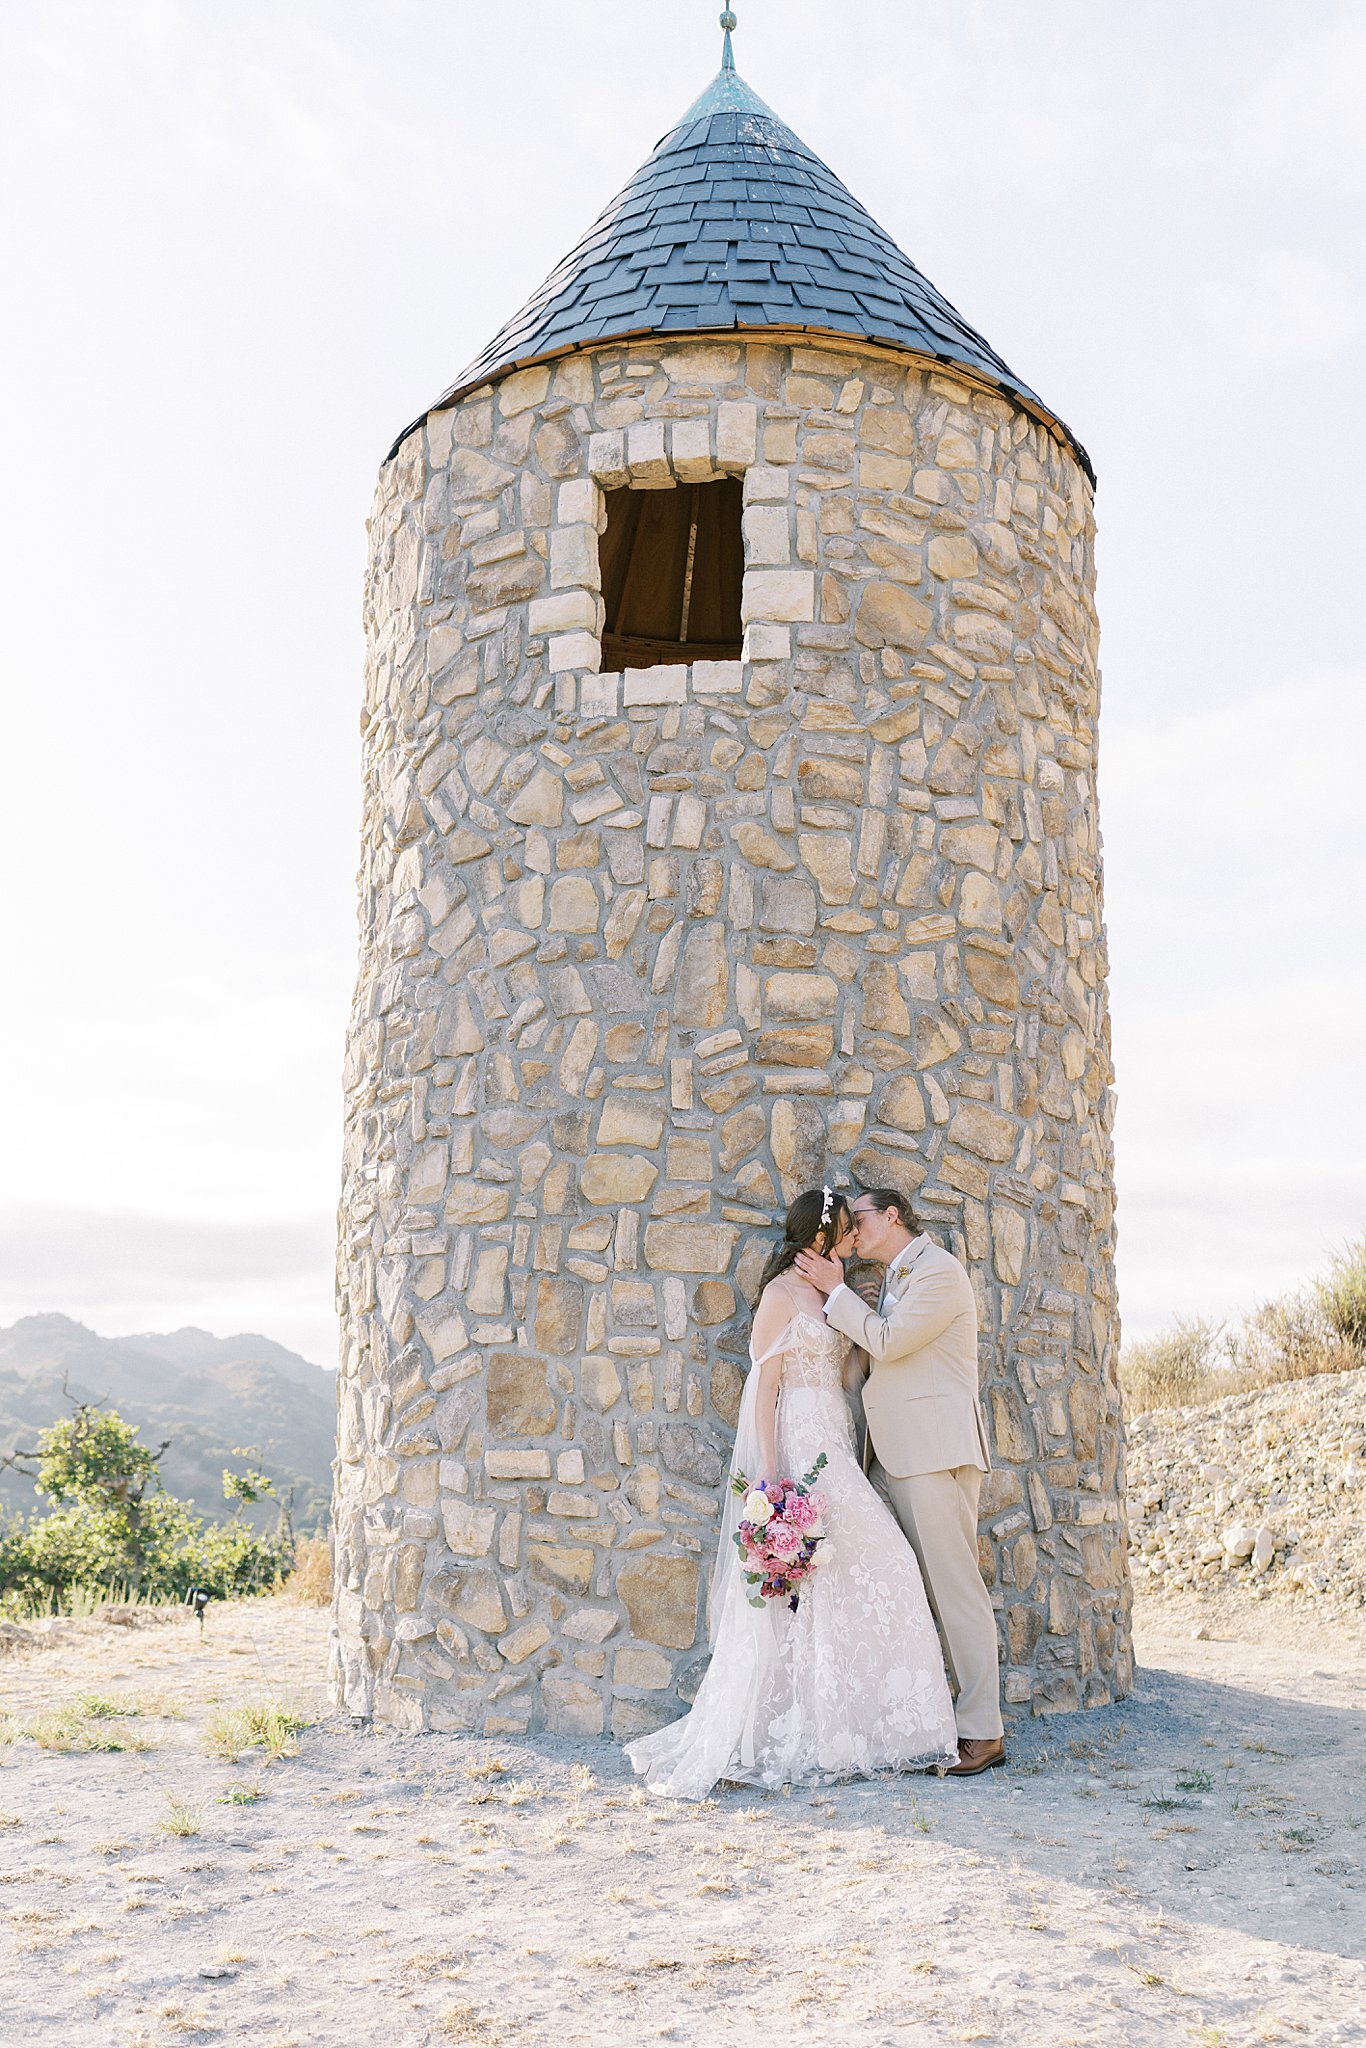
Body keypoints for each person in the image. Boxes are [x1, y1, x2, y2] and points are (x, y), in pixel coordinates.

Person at [625, 1187, 958, 1800]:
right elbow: (765, 1389)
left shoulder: (834, 1294)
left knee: (875, 1566)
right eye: (848, 1227)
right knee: (830, 1573)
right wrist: (773, 1482)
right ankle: (799, 1731)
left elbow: (850, 1374)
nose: (858, 1236)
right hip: (800, 1446)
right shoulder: (780, 1296)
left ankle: (864, 1730)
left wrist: (857, 1333)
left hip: (836, 1434)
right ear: (825, 1232)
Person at [796, 1187, 1006, 1775]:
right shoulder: (892, 1280)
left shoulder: (939, 1272)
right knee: (916, 1589)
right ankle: (935, 1722)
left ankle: (983, 1733)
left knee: (956, 1590)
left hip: (934, 1455)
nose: (850, 1228)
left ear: (892, 1216)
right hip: (896, 1454)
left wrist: (835, 1293)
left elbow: (887, 1342)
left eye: (857, 1218)